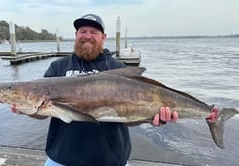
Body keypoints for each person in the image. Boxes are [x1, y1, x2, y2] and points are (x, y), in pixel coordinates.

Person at [12, 14, 178, 166]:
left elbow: (127, 117)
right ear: (76, 35)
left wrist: (149, 118)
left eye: (94, 31)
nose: (87, 36)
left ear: (103, 37)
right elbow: (42, 111)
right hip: (62, 158)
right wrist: (26, 109)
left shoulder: (117, 68)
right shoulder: (58, 66)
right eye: (83, 31)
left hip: (110, 160)